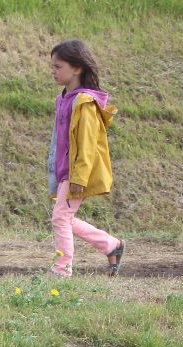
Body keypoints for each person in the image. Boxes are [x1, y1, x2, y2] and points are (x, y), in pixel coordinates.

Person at [46, 39, 125, 277]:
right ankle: (111, 245)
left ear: (77, 68)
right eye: (53, 66)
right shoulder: (63, 99)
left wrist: (79, 176)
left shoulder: (85, 103)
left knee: (60, 218)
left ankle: (61, 271)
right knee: (65, 218)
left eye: (58, 66)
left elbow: (87, 145)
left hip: (77, 173)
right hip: (64, 171)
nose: (53, 71)